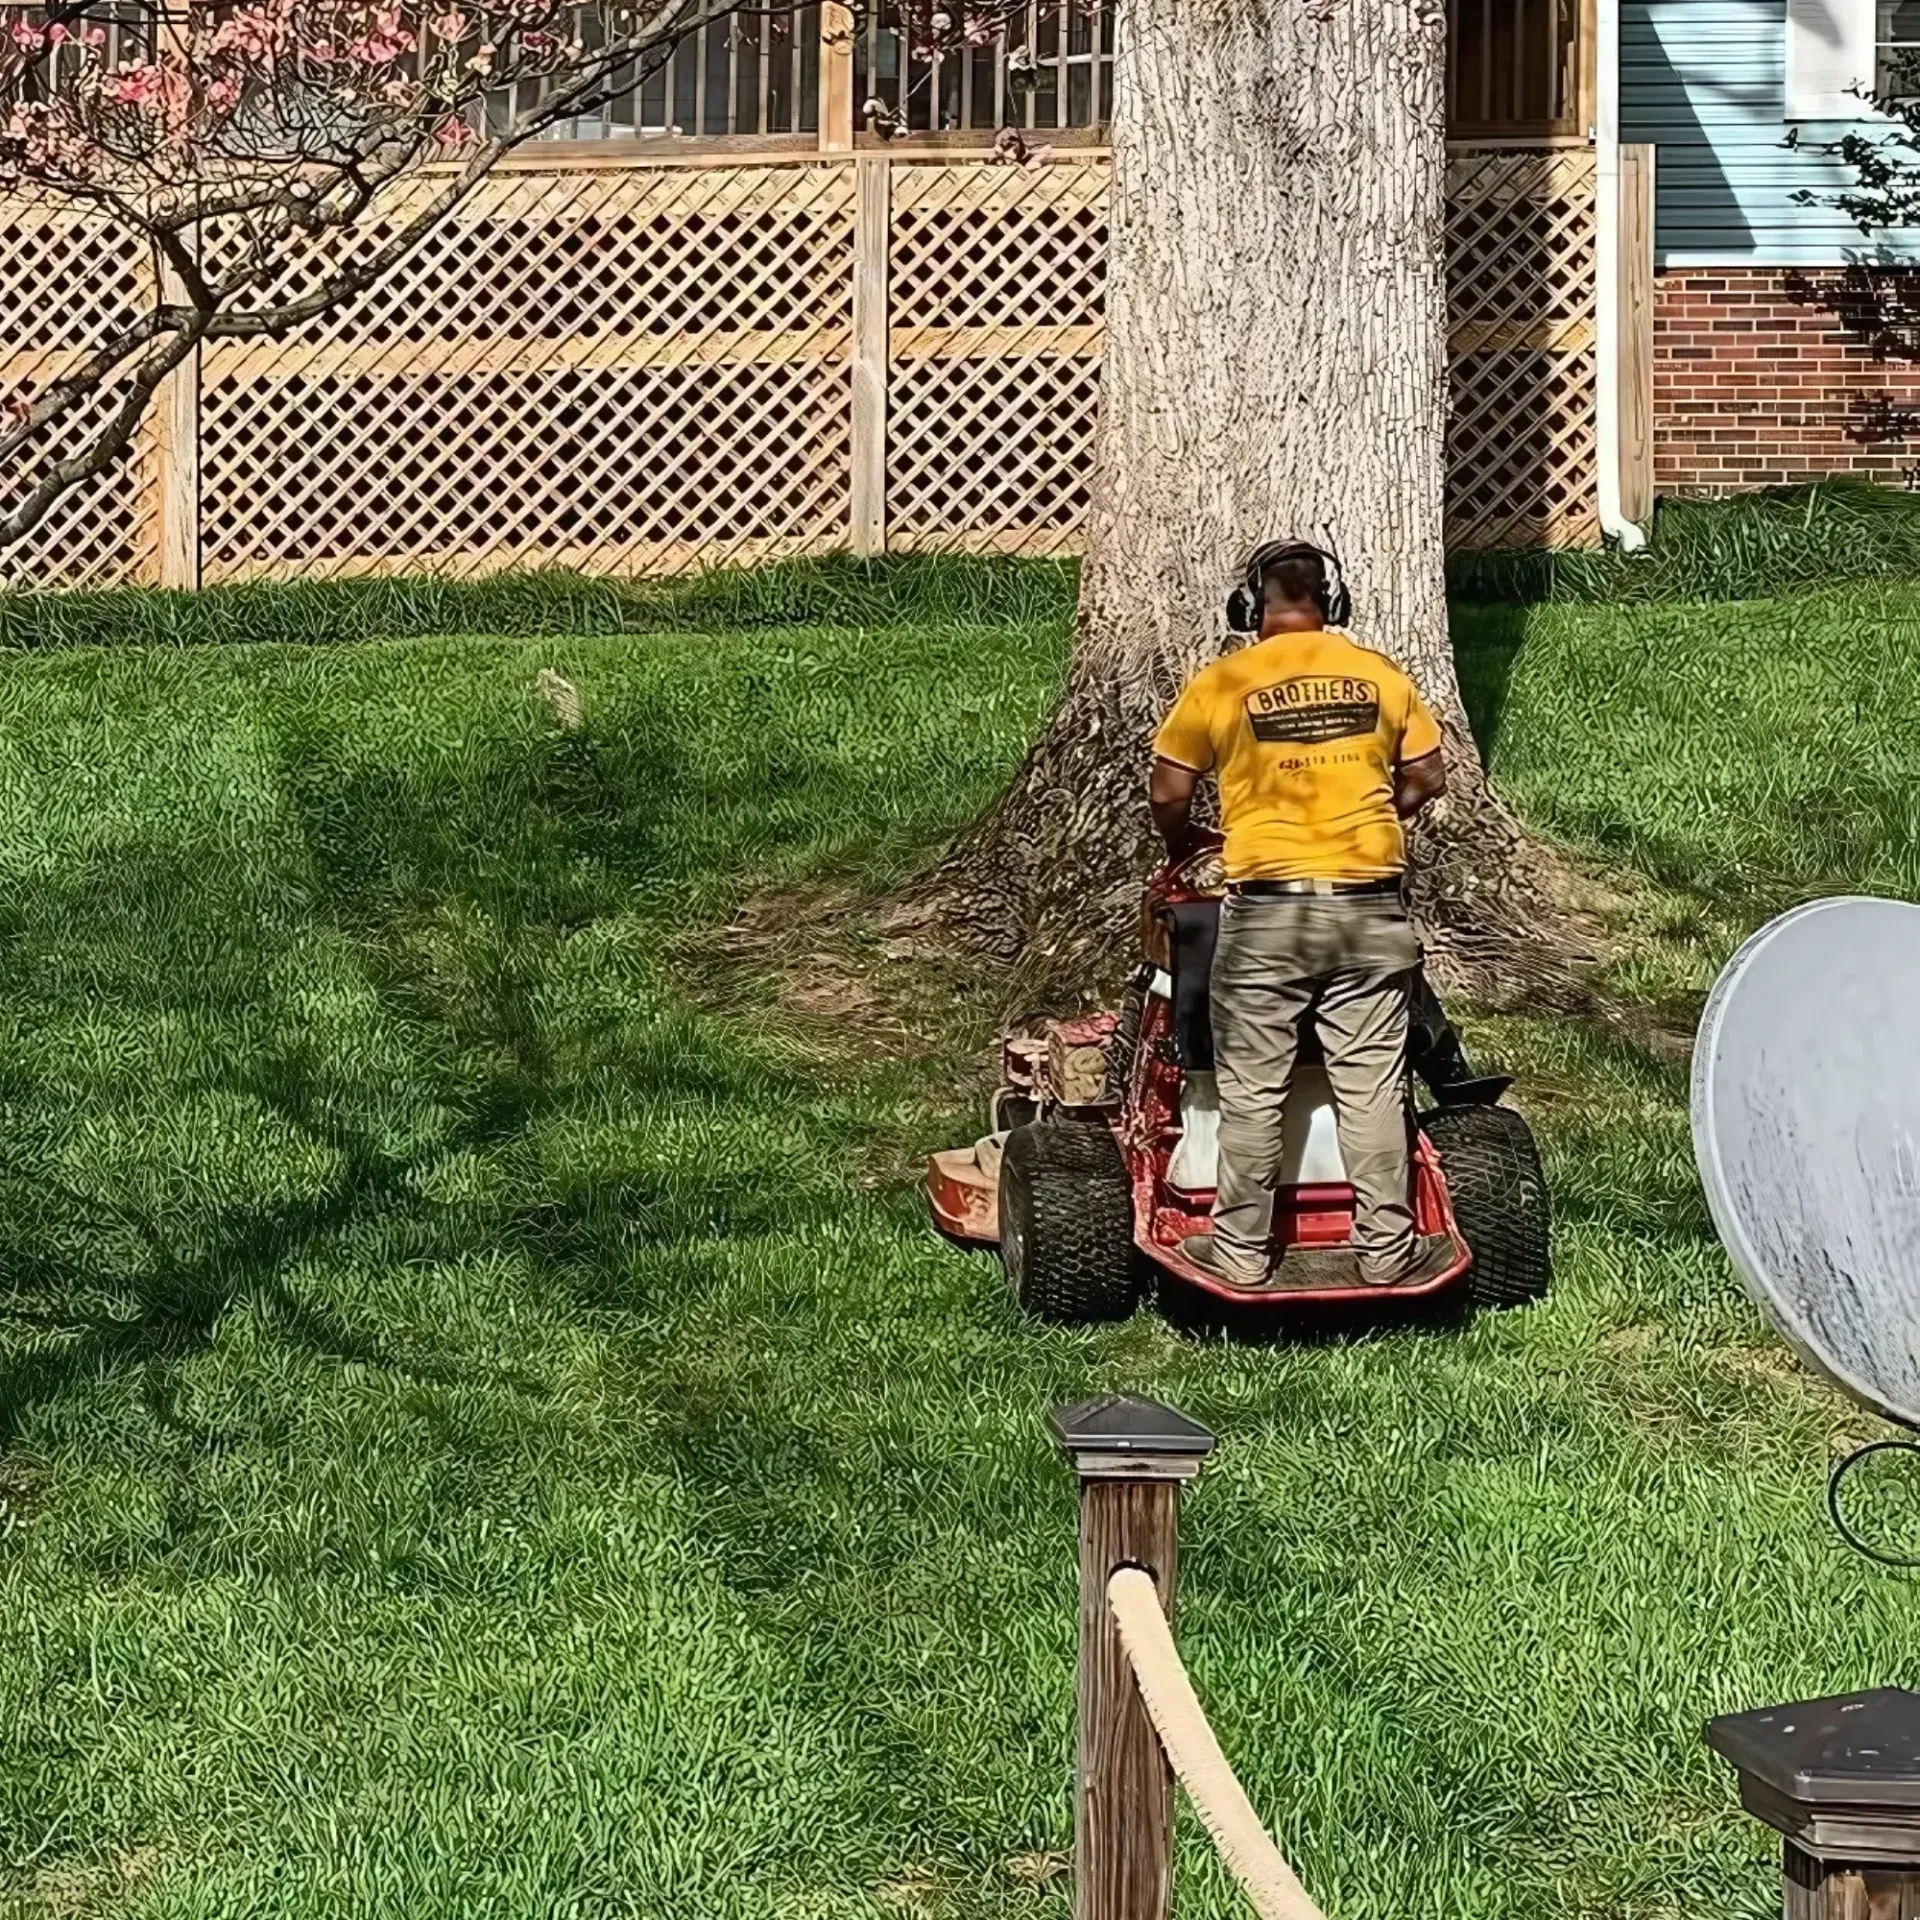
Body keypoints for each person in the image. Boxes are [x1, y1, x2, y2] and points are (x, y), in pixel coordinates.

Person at [1148, 540, 1451, 1288]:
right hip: (1369, 909)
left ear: (1248, 610)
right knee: (1374, 1085)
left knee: (1252, 1087)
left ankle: (1243, 1255)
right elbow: (1428, 774)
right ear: (1334, 604)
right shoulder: (1378, 676)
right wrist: (1388, 816)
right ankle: (1387, 1253)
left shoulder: (1224, 682)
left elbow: (1167, 790)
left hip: (1268, 916)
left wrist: (1186, 840)